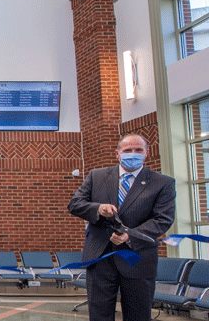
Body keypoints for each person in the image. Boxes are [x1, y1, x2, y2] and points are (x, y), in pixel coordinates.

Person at [68, 134, 175, 321]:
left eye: (138, 150)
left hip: (138, 258)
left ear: (146, 153)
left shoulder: (162, 182)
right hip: (101, 255)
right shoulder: (97, 176)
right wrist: (98, 208)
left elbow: (163, 219)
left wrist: (130, 235)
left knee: (138, 315)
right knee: (99, 314)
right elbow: (75, 204)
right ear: (117, 154)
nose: (133, 154)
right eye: (127, 150)